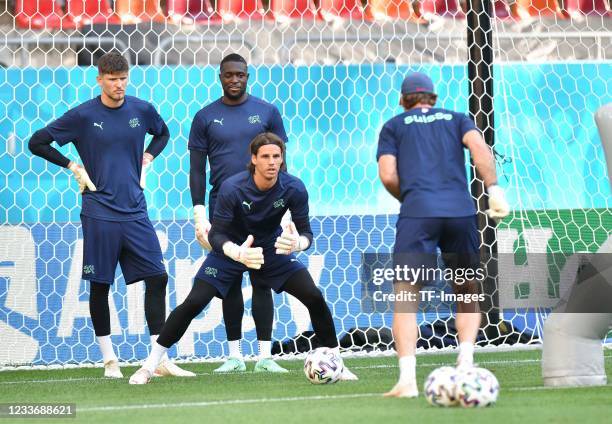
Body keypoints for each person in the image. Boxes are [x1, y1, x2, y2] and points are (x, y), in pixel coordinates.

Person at [129, 133, 358, 384]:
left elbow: (306, 232)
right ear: (254, 159)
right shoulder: (233, 187)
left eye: (277, 157)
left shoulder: (294, 188)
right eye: (266, 157)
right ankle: (150, 366)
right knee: (194, 302)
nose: (272, 162)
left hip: (270, 250)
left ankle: (337, 362)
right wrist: (236, 252)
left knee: (313, 295)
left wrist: (298, 244)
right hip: (231, 251)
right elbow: (216, 233)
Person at [28, 51, 194, 379]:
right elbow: (37, 142)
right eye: (112, 79)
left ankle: (158, 358)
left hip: (135, 210)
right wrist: (72, 165)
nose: (119, 85)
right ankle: (109, 361)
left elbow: (163, 133)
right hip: (99, 212)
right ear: (99, 79)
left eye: (123, 79)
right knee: (101, 285)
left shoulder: (141, 110)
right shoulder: (83, 115)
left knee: (158, 277)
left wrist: (148, 156)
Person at [376, 72, 509, 397]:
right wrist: (493, 189)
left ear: (403, 100)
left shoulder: (394, 125)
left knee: (407, 295)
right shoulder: (458, 118)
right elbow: (479, 148)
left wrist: (410, 197)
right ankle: (465, 362)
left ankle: (407, 379)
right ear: (432, 97)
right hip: (460, 212)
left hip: (418, 213)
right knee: (466, 289)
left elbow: (388, 173)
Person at [189, 53, 290, 373]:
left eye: (240, 75)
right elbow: (196, 170)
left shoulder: (267, 112)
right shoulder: (205, 117)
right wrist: (199, 213)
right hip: (223, 209)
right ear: (220, 76)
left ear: (248, 76)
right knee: (230, 281)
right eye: (229, 75)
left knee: (261, 279)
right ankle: (234, 355)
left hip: (264, 209)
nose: (235, 80)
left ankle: (265, 356)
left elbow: (281, 163)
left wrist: (285, 209)